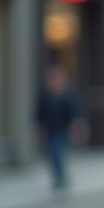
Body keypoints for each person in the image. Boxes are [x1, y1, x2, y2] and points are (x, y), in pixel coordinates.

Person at [35, 65, 85, 193]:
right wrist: (38, 126)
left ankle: (60, 178)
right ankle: (59, 177)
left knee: (56, 152)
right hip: (50, 128)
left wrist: (77, 125)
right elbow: (40, 112)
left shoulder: (68, 93)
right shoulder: (46, 93)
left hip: (63, 129)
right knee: (51, 155)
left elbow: (75, 110)